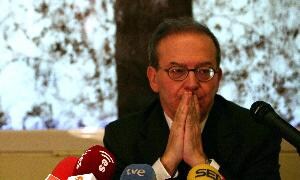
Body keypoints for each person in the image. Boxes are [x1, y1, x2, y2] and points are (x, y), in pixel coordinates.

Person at [104, 17, 281, 179]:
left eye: (204, 71)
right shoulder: (122, 137)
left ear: (218, 78)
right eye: (177, 71)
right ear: (153, 78)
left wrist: (200, 162)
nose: (192, 83)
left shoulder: (256, 133)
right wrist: (167, 163)